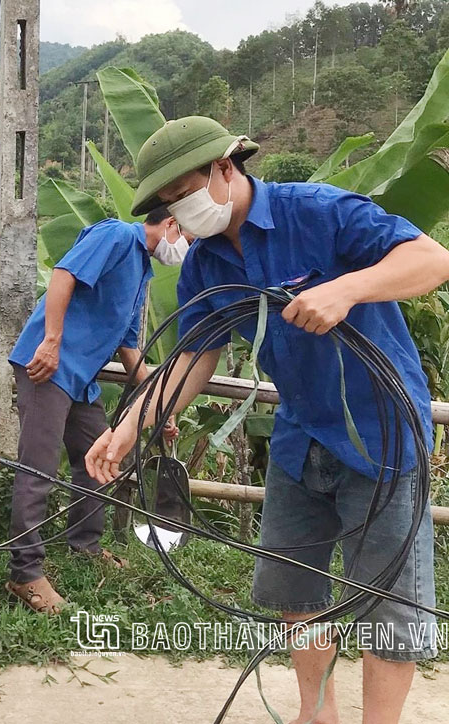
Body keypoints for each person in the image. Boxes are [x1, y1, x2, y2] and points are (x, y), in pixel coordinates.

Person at [85, 116, 449, 723]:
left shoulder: (318, 212)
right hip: (299, 438)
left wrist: (348, 291)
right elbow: (195, 357)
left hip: (381, 432)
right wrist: (128, 429)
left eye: (184, 193)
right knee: (294, 593)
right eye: (169, 204)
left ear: (225, 168)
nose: (180, 212)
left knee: (389, 605)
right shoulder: (205, 263)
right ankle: (316, 715)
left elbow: (432, 259)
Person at [4, 208, 190, 614]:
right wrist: (51, 341)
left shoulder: (142, 269)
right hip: (49, 367)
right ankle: (25, 573)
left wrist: (160, 404)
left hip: (81, 380)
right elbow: (63, 275)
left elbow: (129, 349)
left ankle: (84, 546)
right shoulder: (119, 236)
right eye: (188, 238)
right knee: (38, 469)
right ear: (172, 223)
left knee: (99, 458)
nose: (186, 249)